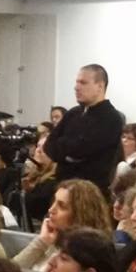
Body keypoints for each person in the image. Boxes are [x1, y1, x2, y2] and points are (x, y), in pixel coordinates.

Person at [44, 64, 124, 194]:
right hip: (62, 188)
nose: (76, 87)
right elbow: (49, 146)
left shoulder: (111, 118)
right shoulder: (73, 113)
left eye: (83, 83)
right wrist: (68, 153)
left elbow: (80, 150)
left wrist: (63, 147)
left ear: (100, 86)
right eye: (77, 82)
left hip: (89, 193)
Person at [15, 179, 113, 272]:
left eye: (61, 206)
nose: (51, 210)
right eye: (54, 202)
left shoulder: (84, 258)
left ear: (80, 215)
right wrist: (42, 241)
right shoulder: (51, 241)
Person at [22, 136, 59, 224]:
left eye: (45, 148)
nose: (38, 150)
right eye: (38, 146)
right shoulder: (31, 176)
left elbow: (35, 207)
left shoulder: (54, 183)